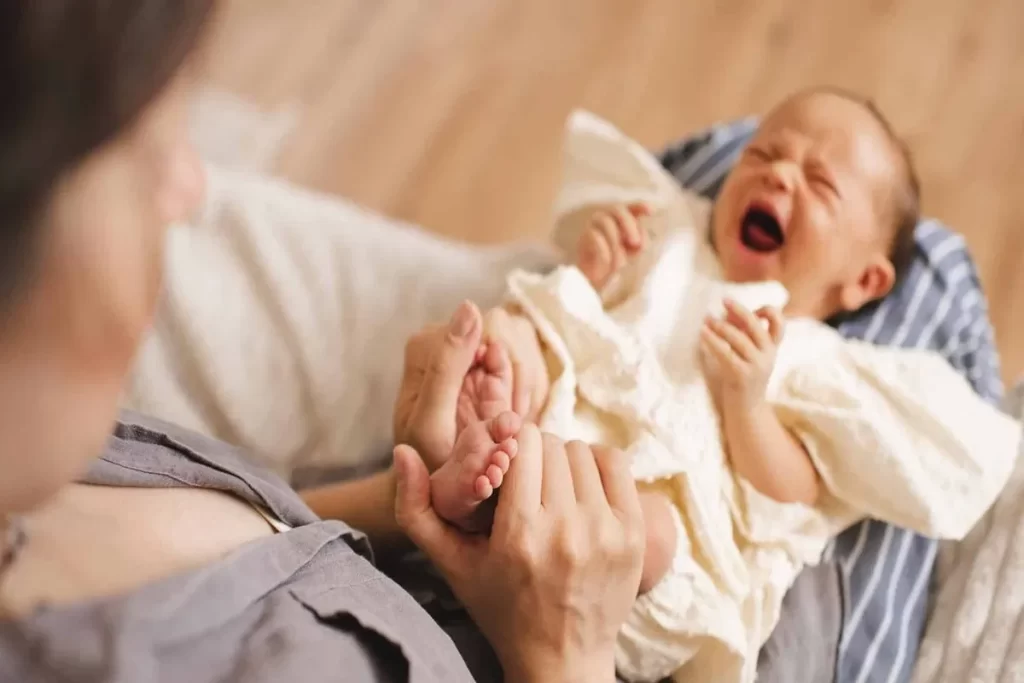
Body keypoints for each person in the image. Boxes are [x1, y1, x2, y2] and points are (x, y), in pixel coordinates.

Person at [0, 3, 647, 682]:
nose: (193, 190)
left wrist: (413, 499)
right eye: (144, 155)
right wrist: (568, 651)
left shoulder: (61, 456)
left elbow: (271, 538)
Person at [417, 91, 1020, 681]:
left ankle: (487, 499)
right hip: (560, 433)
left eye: (820, 182)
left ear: (863, 280)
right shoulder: (666, 248)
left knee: (642, 521)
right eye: (761, 155)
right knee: (510, 340)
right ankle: (480, 478)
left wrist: (747, 402)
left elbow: (792, 493)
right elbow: (573, 329)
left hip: (655, 541)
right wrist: (591, 276)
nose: (779, 175)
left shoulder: (814, 360)